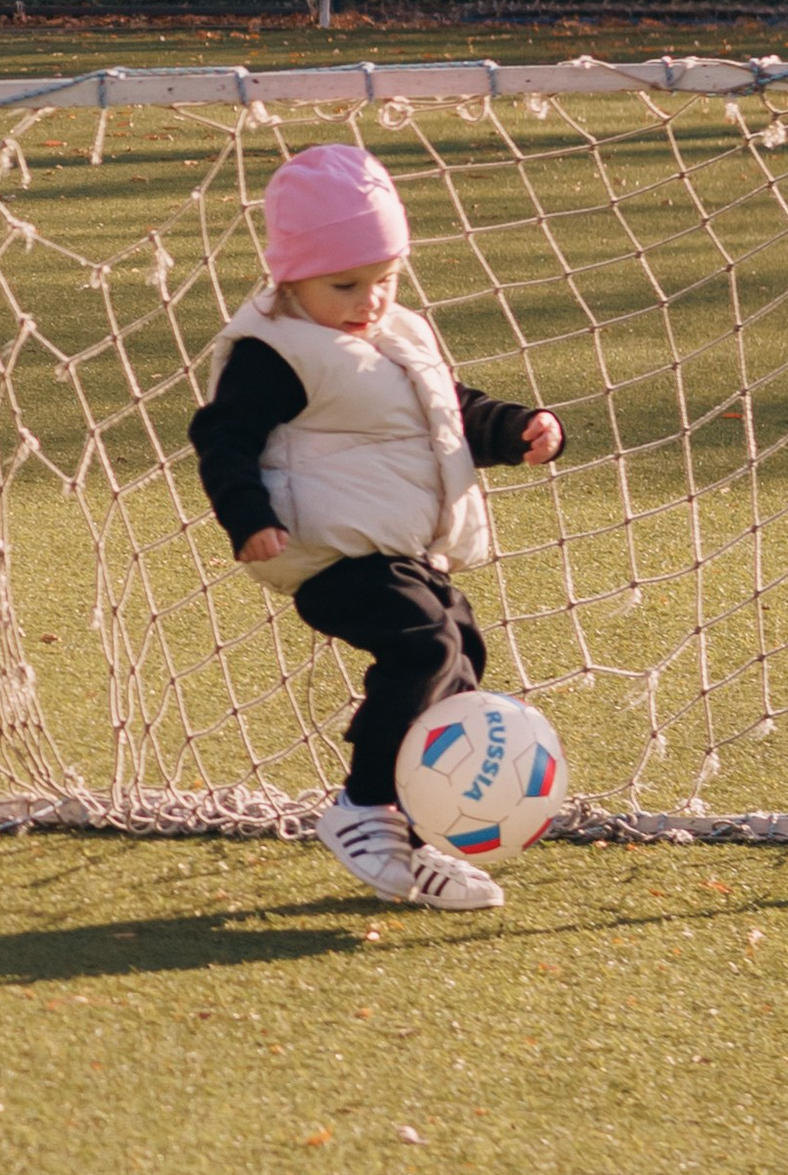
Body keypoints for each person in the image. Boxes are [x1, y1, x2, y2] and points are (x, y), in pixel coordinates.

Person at [187, 142, 561, 913]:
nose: (370, 299)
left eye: (385, 279)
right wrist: (247, 517)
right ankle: (363, 805)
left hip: (404, 552)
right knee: (421, 642)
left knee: (458, 650)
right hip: (328, 552)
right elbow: (222, 436)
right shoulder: (276, 349)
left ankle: (421, 837)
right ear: (290, 276)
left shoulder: (399, 334)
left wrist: (517, 427)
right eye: (346, 283)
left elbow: (447, 410)